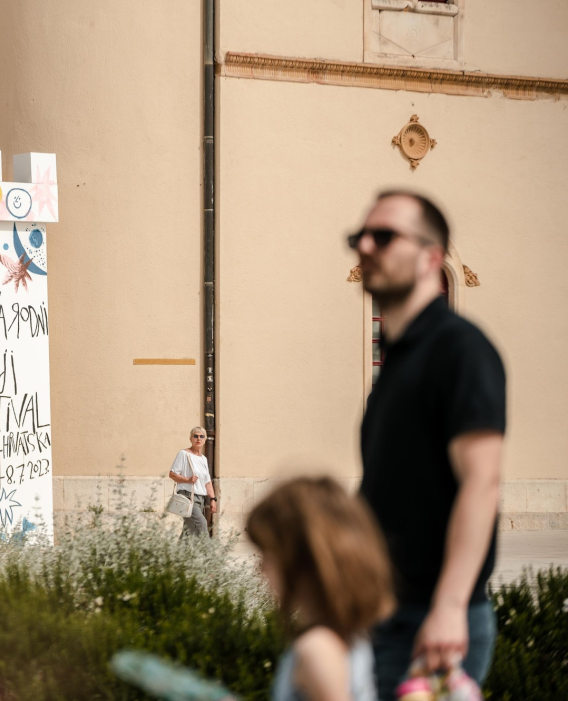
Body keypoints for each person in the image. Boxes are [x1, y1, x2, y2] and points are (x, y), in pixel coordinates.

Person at [350, 191, 505, 699]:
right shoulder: (397, 361)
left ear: (432, 257)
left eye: (385, 236)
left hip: (430, 626)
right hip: (385, 615)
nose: (366, 246)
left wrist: (450, 606)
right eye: (361, 237)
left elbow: (481, 483)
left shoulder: (460, 349)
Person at [248, 477, 394, 701]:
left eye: (267, 555)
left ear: (301, 564)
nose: (260, 569)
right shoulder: (351, 637)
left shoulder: (317, 650)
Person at [167, 426, 216, 536]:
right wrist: (188, 480)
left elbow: (207, 482)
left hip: (200, 498)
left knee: (190, 530)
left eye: (201, 436)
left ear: (205, 439)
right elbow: (172, 474)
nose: (198, 439)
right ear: (191, 439)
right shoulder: (184, 454)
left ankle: (180, 552)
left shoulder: (203, 459)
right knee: (201, 524)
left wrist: (213, 499)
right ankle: (209, 552)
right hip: (188, 496)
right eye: (196, 436)